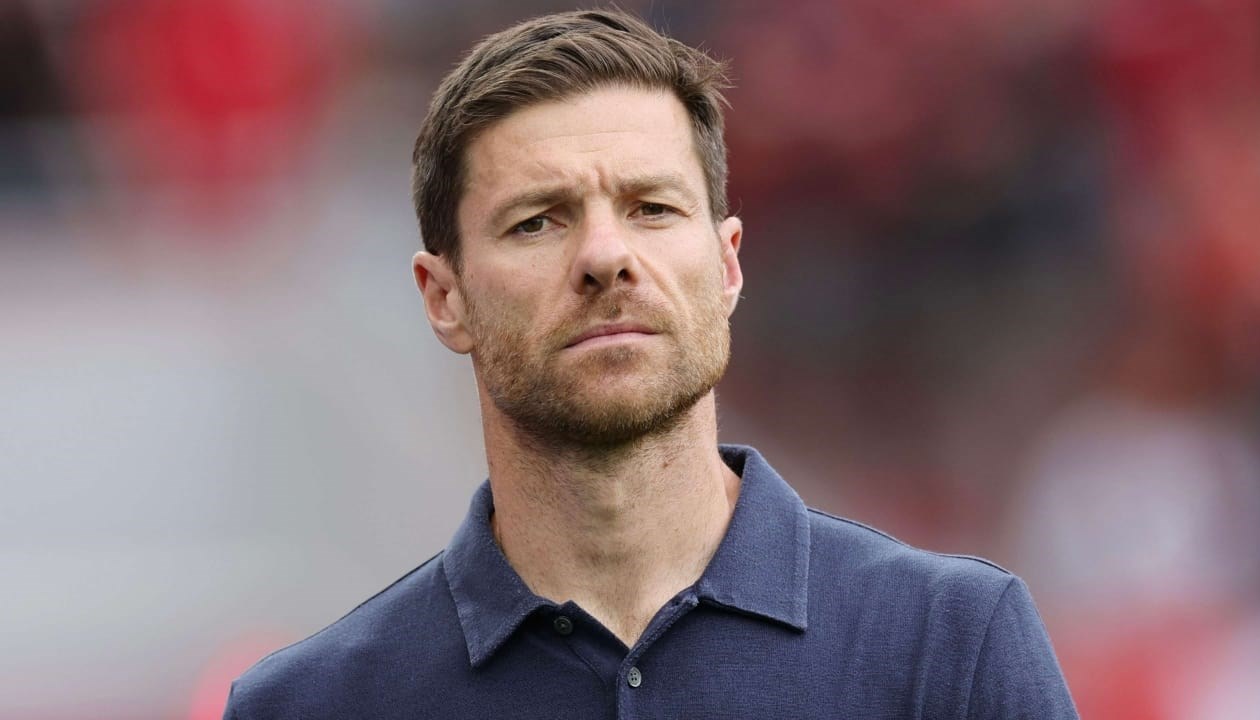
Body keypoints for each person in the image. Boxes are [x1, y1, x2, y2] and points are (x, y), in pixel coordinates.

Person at [222, 9, 1078, 719]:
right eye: (537, 221)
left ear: (728, 264)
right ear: (444, 298)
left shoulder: (950, 649)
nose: (606, 256)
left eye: (652, 208)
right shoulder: (308, 706)